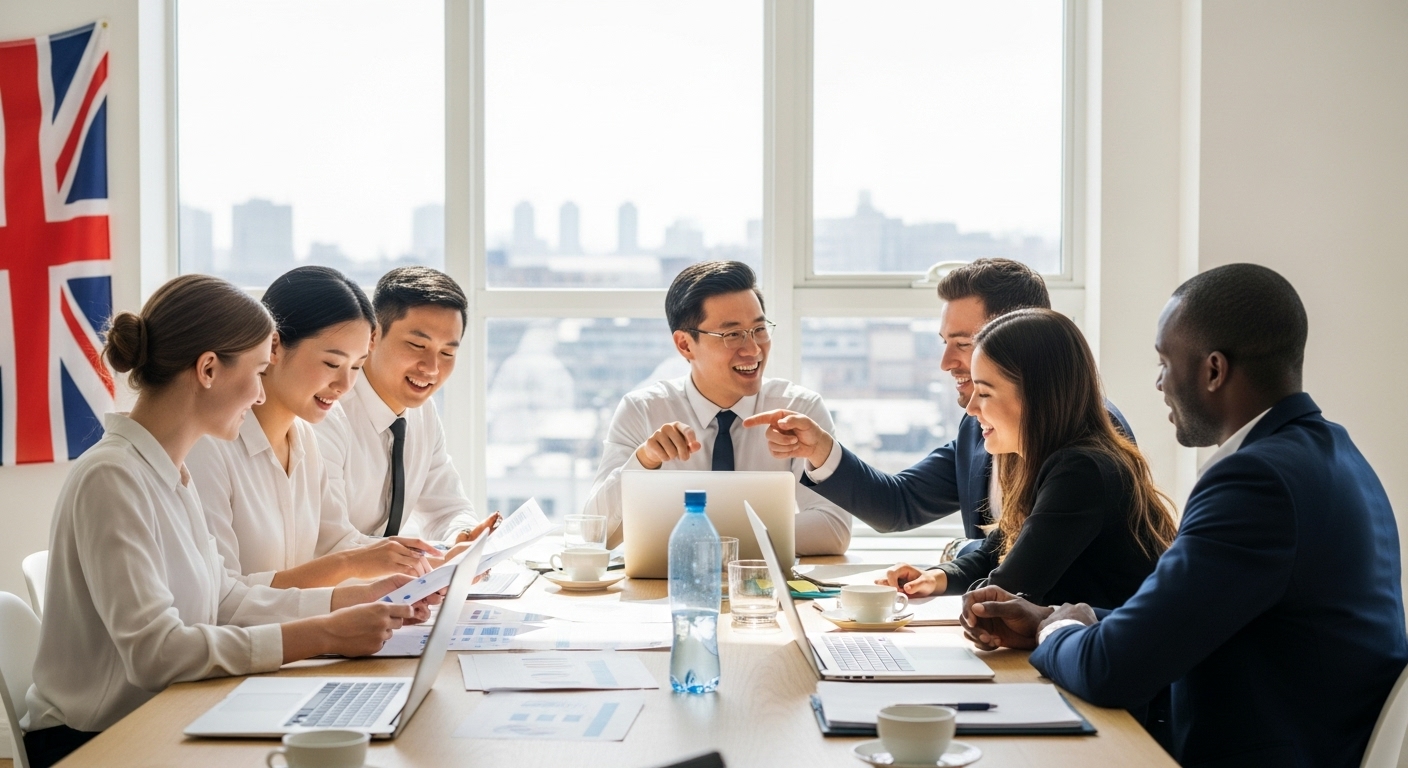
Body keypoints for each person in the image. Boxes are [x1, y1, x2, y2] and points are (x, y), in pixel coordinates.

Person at [959, 264, 1407, 768]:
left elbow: (1114, 669)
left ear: (1213, 370)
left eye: (1165, 362)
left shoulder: (1256, 483)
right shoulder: (1332, 452)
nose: (1158, 383)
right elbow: (1193, 621)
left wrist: (1052, 632)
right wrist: (1048, 618)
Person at [22, 275, 429, 768]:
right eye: (259, 372)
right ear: (209, 369)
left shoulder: (171, 472)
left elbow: (224, 600)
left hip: (165, 714)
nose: (261, 395)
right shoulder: (112, 477)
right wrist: (322, 635)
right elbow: (156, 653)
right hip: (97, 742)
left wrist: (353, 600)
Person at [742, 257, 1133, 559]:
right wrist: (820, 451)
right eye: (944, 341)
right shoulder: (976, 428)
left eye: (963, 343)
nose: (945, 362)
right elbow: (898, 504)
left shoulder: (1092, 430)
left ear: (1020, 342)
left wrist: (960, 553)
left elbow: (1040, 561)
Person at [878, 308, 1175, 606]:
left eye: (984, 392)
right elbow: (993, 554)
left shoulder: (1081, 471)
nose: (970, 408)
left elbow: (1007, 590)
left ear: (1035, 397)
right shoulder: (1036, 459)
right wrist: (934, 578)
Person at [188, 266, 443, 588]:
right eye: (332, 364)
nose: (344, 384)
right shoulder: (209, 447)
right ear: (274, 347)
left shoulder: (305, 438)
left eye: (357, 366)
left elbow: (336, 540)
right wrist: (352, 569)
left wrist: (433, 564)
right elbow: (219, 597)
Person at [582, 261, 851, 555]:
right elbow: (595, 535)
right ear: (685, 345)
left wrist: (708, 541)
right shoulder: (643, 411)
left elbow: (835, 528)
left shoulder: (799, 409)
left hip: (761, 593)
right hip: (668, 594)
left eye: (759, 329)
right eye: (732, 334)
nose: (753, 349)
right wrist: (644, 461)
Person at [315, 267, 498, 543]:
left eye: (447, 352)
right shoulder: (328, 411)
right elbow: (331, 541)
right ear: (373, 336)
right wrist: (429, 561)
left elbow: (446, 508)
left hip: (393, 582)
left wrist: (462, 538)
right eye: (416, 345)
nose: (432, 368)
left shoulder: (423, 413)